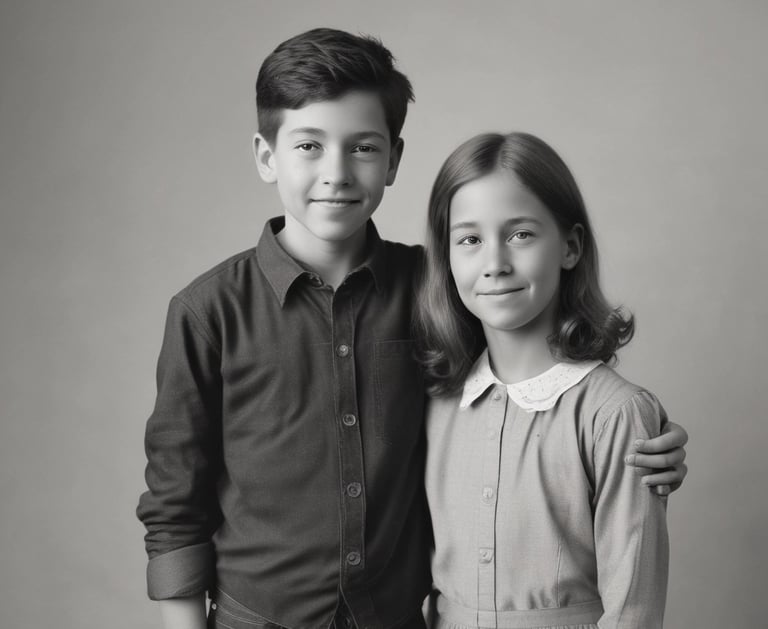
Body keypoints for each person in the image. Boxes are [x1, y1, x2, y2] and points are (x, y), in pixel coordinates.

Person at [137, 30, 688, 629]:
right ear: (267, 156)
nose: (337, 173)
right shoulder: (206, 311)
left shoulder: (438, 287)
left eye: (363, 148)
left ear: (394, 159)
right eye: (309, 146)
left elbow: (529, 389)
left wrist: (644, 441)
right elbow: (175, 505)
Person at [416, 132, 674, 629]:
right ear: (446, 259)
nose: (494, 263)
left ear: (570, 247)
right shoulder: (434, 403)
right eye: (469, 239)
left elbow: (634, 611)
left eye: (520, 235)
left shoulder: (615, 413)